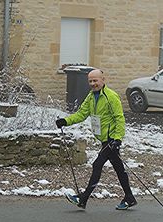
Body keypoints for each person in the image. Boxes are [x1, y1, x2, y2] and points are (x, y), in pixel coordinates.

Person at [56, 69, 137, 210]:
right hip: (104, 139)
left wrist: (117, 140)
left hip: (111, 140)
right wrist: (66, 121)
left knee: (97, 165)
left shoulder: (111, 97)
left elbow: (120, 118)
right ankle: (129, 197)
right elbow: (81, 114)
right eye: (90, 81)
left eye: (95, 80)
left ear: (103, 80)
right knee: (119, 168)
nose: (93, 84)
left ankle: (83, 198)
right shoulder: (91, 97)